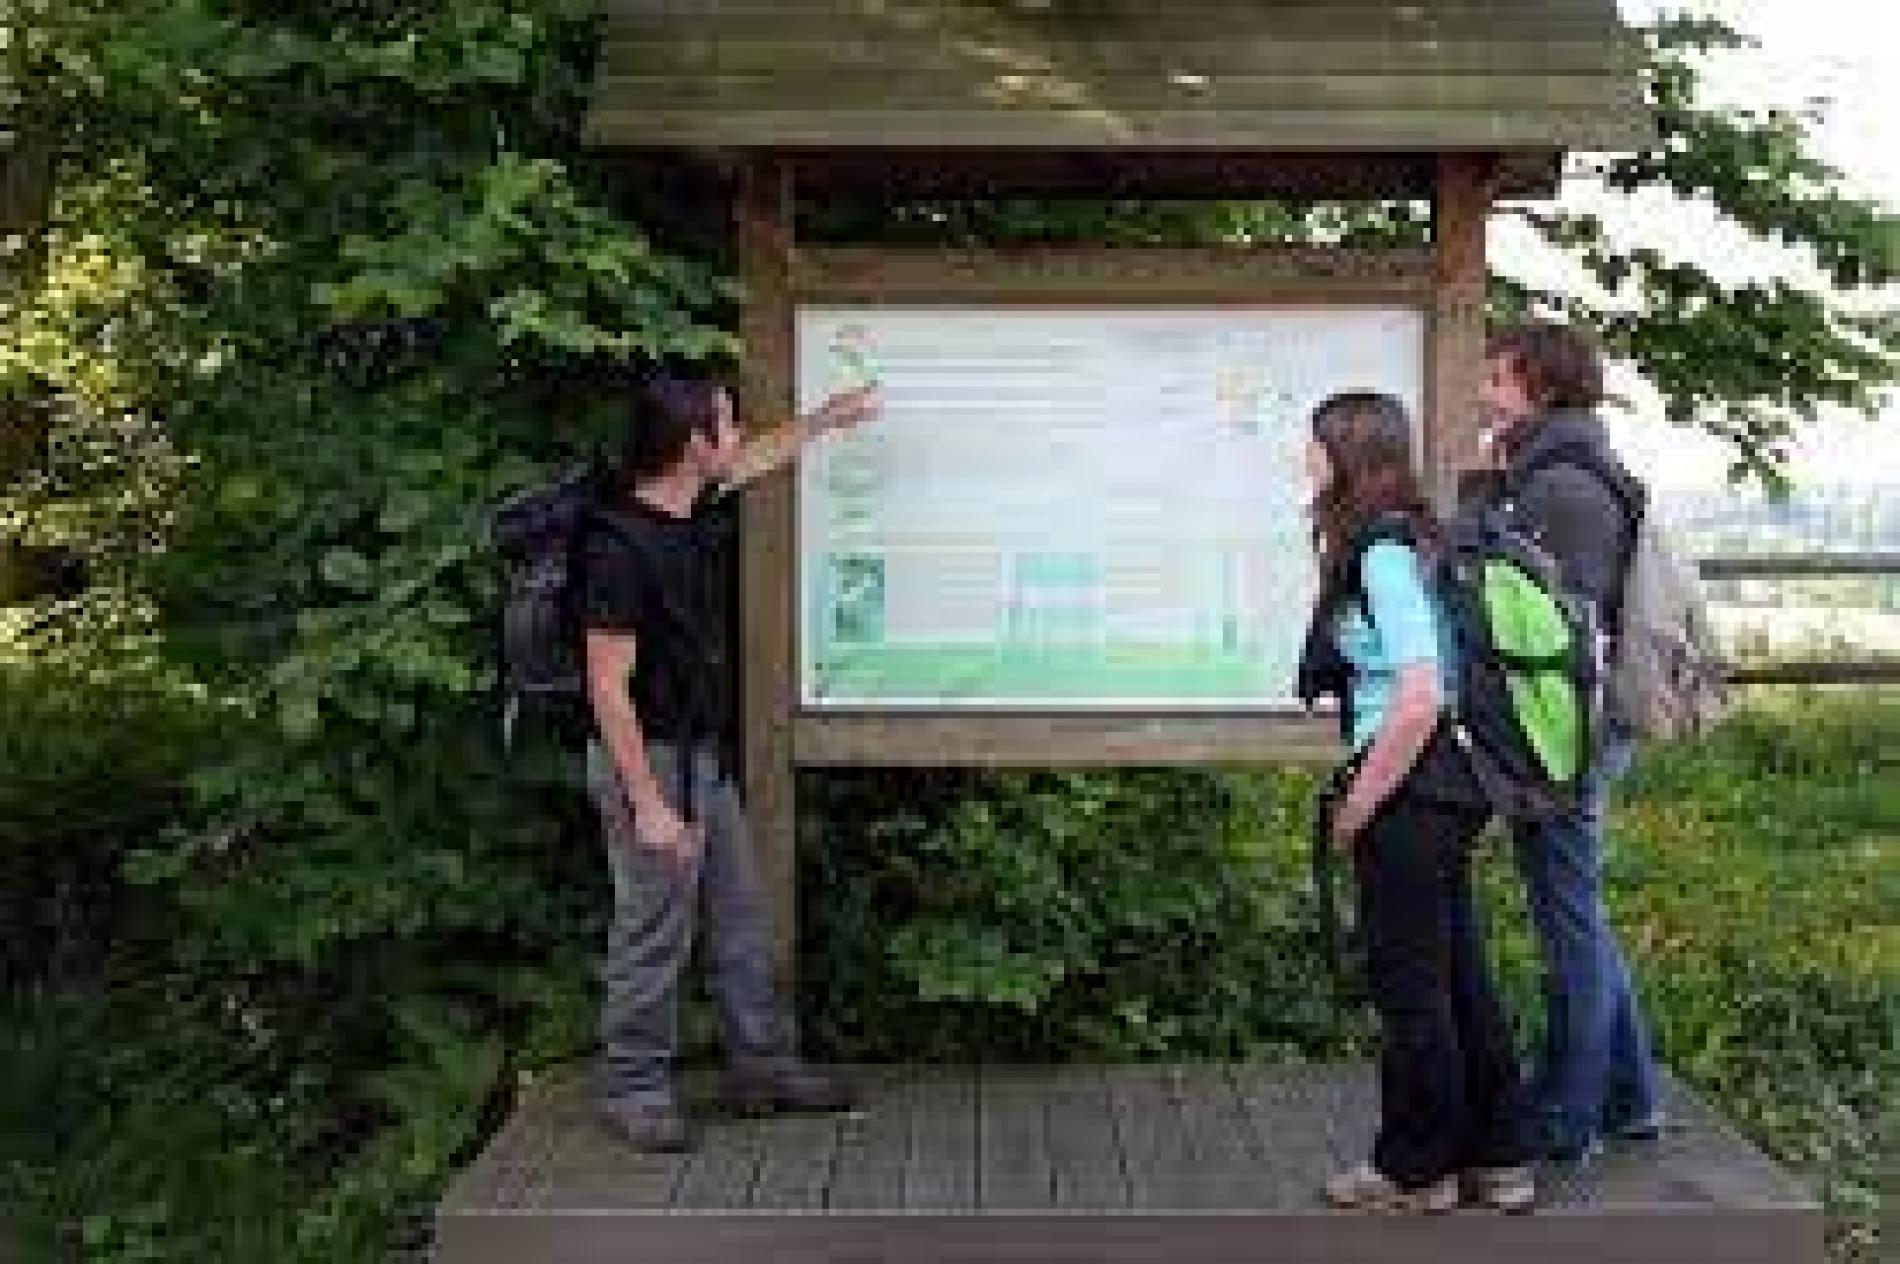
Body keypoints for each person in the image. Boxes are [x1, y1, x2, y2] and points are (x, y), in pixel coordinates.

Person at [579, 368, 879, 1152]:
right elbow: (608, 688)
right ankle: (634, 1086)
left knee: (740, 920)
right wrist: (647, 804)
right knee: (653, 931)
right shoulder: (618, 547)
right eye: (726, 423)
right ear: (690, 446)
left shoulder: (691, 505)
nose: (738, 433)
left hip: (702, 766)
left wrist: (827, 419)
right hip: (650, 765)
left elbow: (754, 461)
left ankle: (763, 1066)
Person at [1304, 392, 1536, 1214]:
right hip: (1451, 787)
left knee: (1411, 986)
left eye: (1315, 447)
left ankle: (1416, 1168)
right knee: (1459, 975)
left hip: (1413, 786)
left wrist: (1361, 805)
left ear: (1349, 457)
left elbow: (1418, 694)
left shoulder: (1381, 557)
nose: (1304, 461)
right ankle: (1498, 1156)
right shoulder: (1419, 538)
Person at [1475, 321, 1665, 1162]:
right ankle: (1630, 1100)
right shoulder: (1578, 469)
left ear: (1538, 387)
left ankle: (1571, 1115)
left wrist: (1486, 488)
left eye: (1499, 377)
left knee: (1568, 922)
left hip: (1565, 736)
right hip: (1581, 727)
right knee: (1577, 909)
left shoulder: (1559, 488)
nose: (1487, 389)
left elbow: (1534, 623)